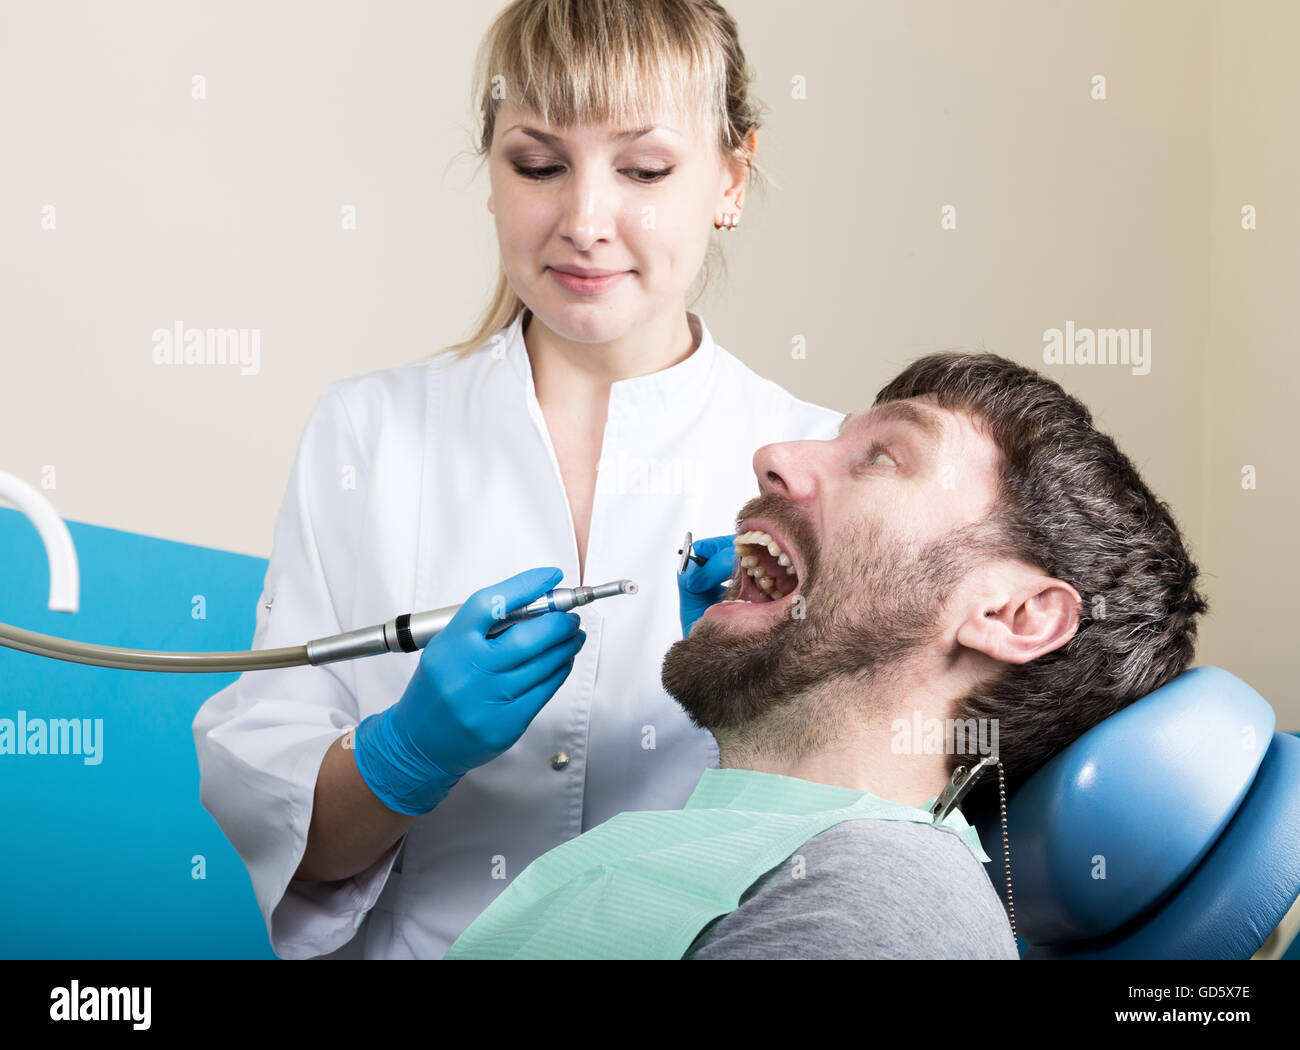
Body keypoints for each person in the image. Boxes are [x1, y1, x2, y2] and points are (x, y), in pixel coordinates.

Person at [190, 0, 844, 960]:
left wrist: (756, 706)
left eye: (645, 169)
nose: (584, 221)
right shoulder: (369, 435)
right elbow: (291, 838)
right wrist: (408, 755)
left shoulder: (814, 460)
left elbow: (855, 839)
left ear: (730, 178)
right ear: (491, 174)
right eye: (538, 165)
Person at [443, 351, 1210, 959]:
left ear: (1012, 615)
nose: (772, 456)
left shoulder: (884, 900)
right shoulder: (750, 853)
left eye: (882, 458)